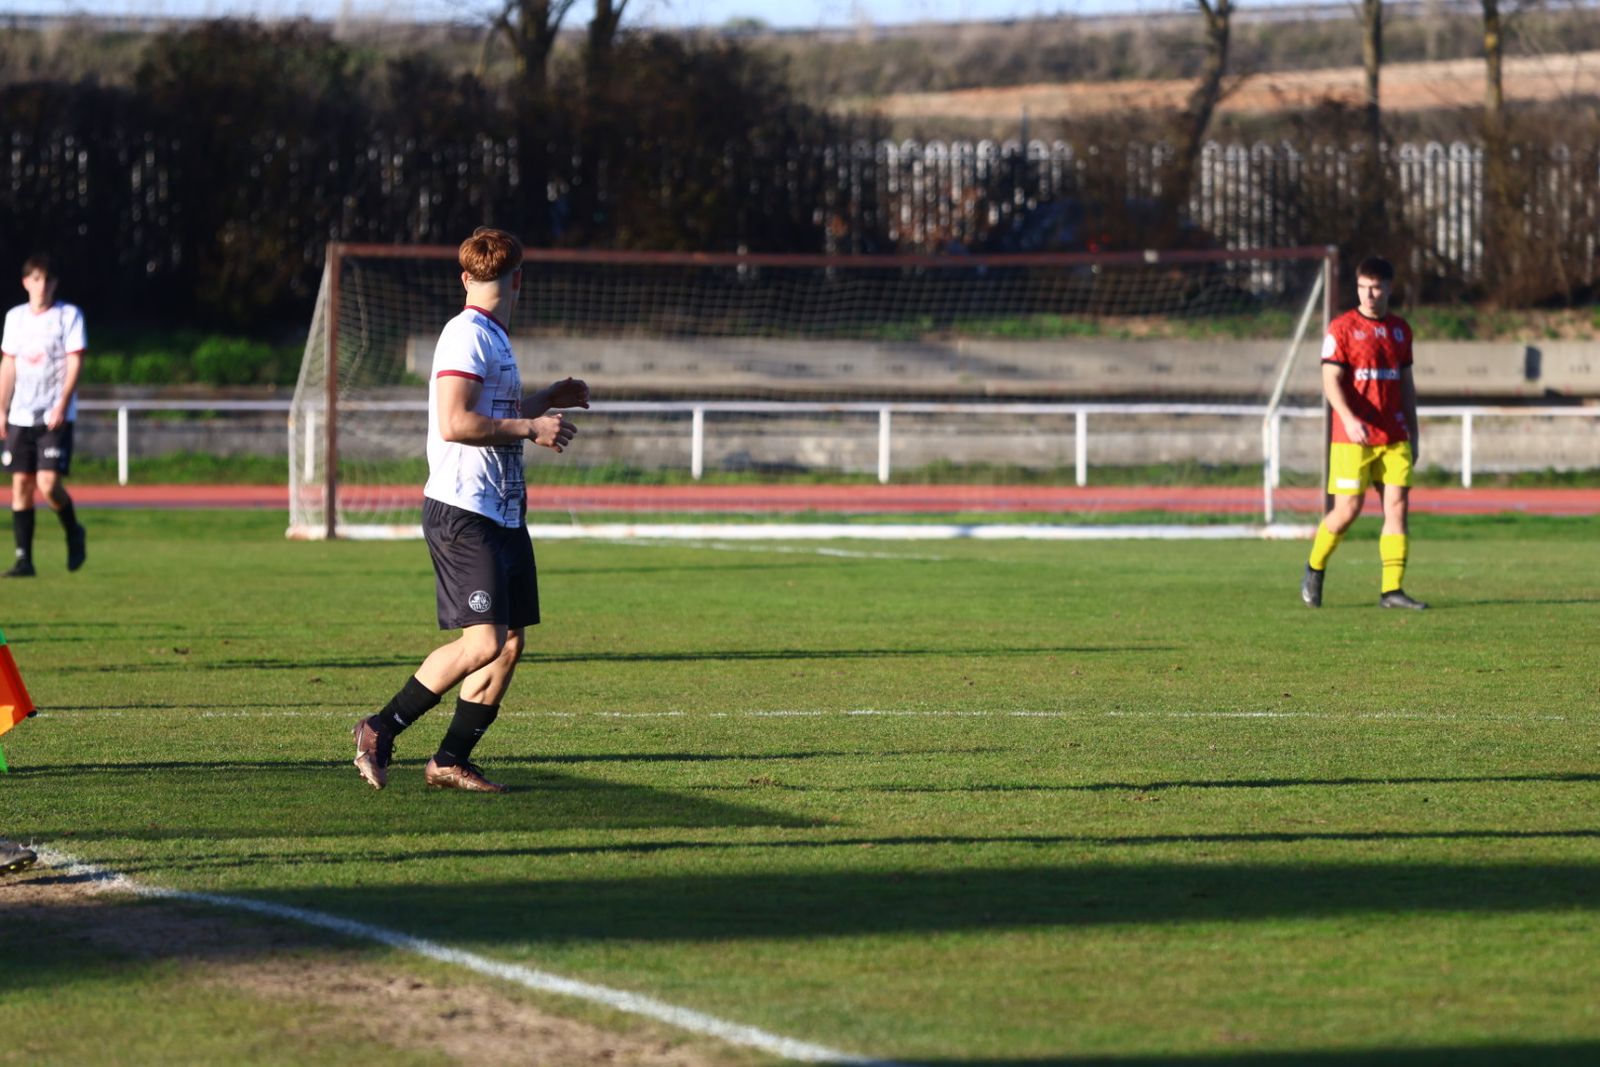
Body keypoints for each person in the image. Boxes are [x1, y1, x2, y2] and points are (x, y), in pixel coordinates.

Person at [352, 227, 589, 793]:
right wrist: (531, 426)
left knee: (508, 644)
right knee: (483, 642)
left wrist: (544, 401)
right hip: (464, 510)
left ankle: (449, 760)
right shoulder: (465, 335)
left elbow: (494, 411)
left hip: (502, 512)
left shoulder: (493, 336)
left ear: (466, 278)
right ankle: (379, 729)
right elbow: (455, 422)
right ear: (519, 281)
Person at [1301, 256, 1427, 610]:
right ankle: (1314, 567)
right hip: (1352, 437)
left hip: (1394, 435)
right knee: (1348, 511)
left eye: (1376, 287)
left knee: (1397, 508)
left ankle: (1392, 590)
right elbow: (1330, 380)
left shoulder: (1400, 331)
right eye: (1363, 287)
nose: (1369, 294)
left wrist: (1414, 433)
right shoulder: (1342, 329)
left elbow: (1406, 386)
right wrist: (1348, 418)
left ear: (1388, 288)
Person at [0, 254, 88, 579]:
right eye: (36, 279)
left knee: (48, 484)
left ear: (55, 284)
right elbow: (8, 365)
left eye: (48, 280)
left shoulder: (68, 315)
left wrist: (63, 404)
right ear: (26, 282)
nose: (42, 286)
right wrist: (2, 408)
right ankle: (24, 559)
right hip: (20, 414)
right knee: (21, 483)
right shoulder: (15, 318)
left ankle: (73, 530)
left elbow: (75, 362)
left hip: (53, 414)